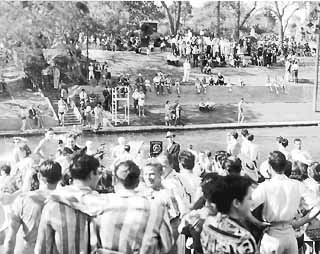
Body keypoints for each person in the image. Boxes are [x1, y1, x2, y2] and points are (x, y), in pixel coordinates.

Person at [93, 160, 173, 254]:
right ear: (138, 181)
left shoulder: (99, 204)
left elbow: (90, 243)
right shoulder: (156, 207)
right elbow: (167, 245)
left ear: (114, 180)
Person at [251, 151, 320, 254]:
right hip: (290, 235)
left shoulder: (265, 186)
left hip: (272, 234)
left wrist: (258, 223)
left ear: (269, 167)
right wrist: (300, 222)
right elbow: (317, 206)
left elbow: (246, 208)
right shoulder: (297, 185)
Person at [34, 153, 102, 254]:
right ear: (92, 174)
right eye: (98, 173)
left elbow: (42, 248)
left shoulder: (53, 203)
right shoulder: (103, 204)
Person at [4, 160, 62, 254]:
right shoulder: (65, 201)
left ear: (39, 176)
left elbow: (10, 237)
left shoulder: (23, 199)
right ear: (60, 178)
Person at [200, 175, 258, 254]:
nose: (252, 202)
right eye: (249, 198)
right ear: (236, 203)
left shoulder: (208, 224)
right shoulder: (244, 239)